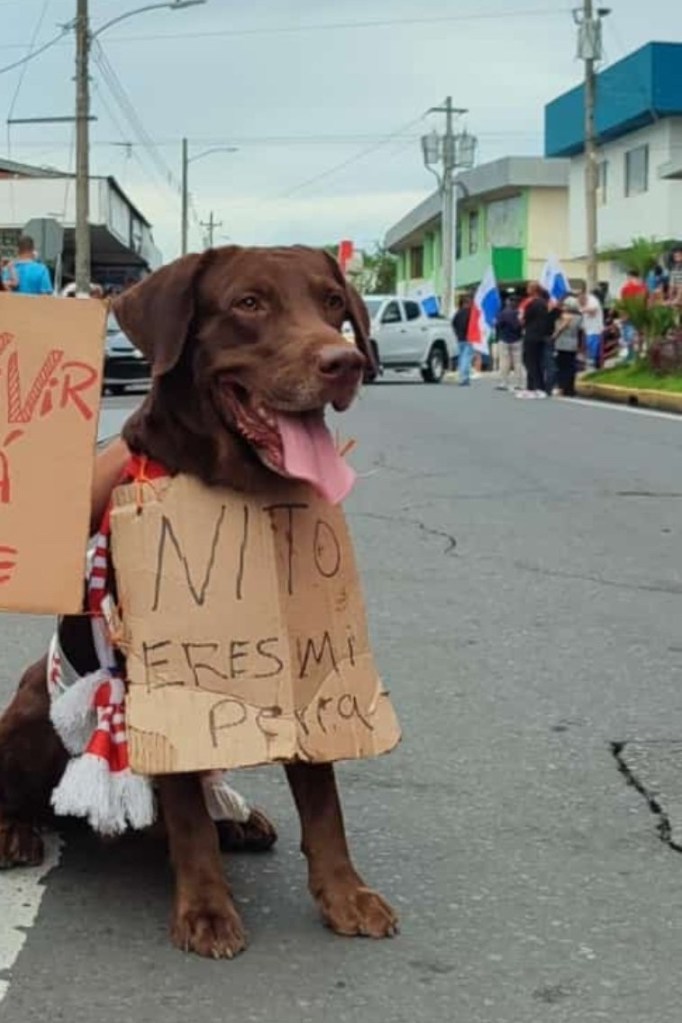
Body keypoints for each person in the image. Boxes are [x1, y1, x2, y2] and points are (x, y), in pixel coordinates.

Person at [517, 283, 551, 399]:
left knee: (530, 361)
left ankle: (537, 388)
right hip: (540, 335)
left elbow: (523, 319)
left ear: (533, 290)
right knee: (535, 361)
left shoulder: (532, 303)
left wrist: (521, 319)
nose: (526, 289)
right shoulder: (544, 303)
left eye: (528, 288)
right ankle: (531, 387)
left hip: (531, 334)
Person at [552, 296, 582, 396]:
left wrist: (553, 337)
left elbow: (558, 328)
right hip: (573, 343)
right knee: (571, 367)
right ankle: (570, 389)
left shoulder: (564, 316)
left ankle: (561, 387)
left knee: (561, 367)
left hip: (562, 343)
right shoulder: (579, 317)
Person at [495, 296, 524, 391]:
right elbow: (522, 325)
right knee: (518, 363)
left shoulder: (503, 313)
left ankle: (504, 383)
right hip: (517, 339)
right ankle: (519, 384)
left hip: (504, 339)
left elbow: (498, 325)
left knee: (504, 362)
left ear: (508, 302)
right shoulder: (520, 313)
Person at [578, 288, 604, 369]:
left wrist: (583, 310)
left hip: (595, 329)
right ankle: (590, 362)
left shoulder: (592, 300)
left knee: (593, 346)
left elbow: (593, 310)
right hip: (587, 329)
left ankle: (592, 363)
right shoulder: (582, 302)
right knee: (587, 346)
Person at [451, 294, 473, 386]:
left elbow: (453, 324)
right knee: (466, 358)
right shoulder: (470, 313)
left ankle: (463, 377)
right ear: (467, 303)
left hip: (459, 338)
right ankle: (464, 378)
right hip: (468, 338)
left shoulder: (458, 313)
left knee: (461, 358)